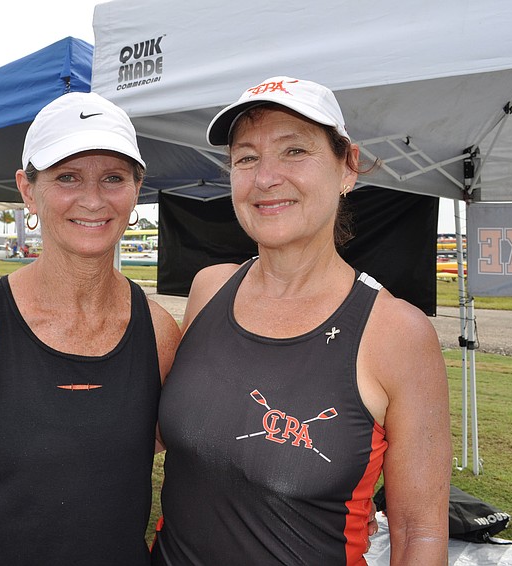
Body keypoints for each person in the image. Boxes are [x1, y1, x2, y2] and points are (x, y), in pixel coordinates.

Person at [151, 77, 451, 565]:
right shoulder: (210, 289)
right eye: (246, 158)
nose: (266, 177)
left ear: (347, 167)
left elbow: (419, 533)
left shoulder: (397, 334)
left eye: (294, 151)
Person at [0, 92, 181, 565]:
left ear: (136, 188)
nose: (92, 199)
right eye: (67, 177)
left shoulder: (160, 333)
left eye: (113, 178)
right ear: (27, 189)